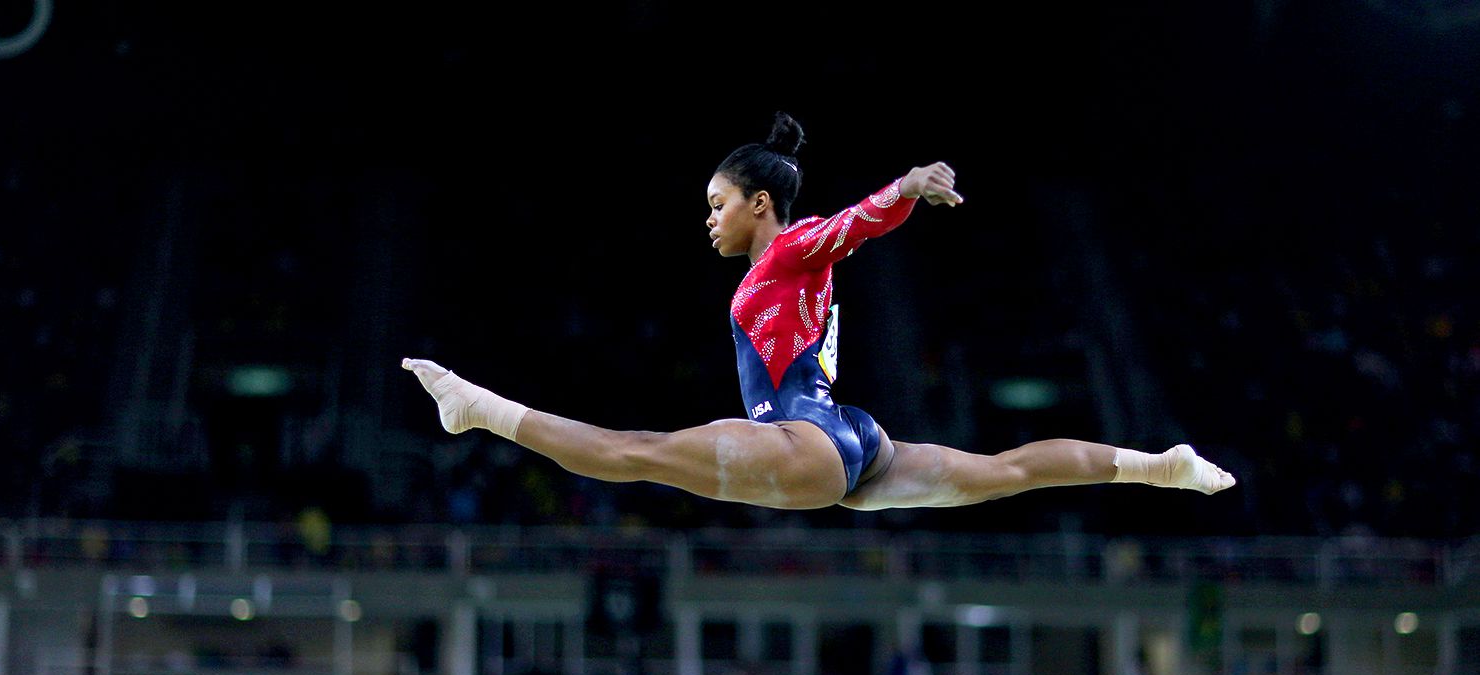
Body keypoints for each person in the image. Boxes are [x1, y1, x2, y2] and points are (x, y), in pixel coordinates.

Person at [403, 112, 1233, 513]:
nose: (709, 217)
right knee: (1009, 470)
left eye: (717, 202)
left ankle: (476, 408)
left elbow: (848, 227)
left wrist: (903, 189)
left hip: (807, 444)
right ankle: (1158, 464)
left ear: (758, 202)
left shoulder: (790, 244)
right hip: (852, 438)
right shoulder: (787, 259)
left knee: (634, 452)